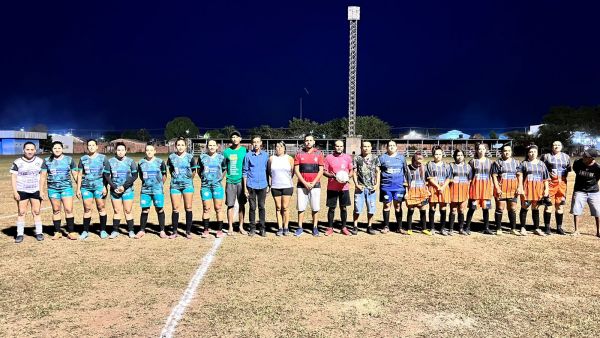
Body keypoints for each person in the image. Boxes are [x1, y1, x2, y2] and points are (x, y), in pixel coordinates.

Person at [10, 142, 47, 243]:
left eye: (32, 150)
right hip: (22, 190)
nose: (30, 151)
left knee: (37, 211)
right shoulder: (17, 162)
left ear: (35, 150)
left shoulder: (40, 161)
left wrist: (41, 191)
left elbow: (43, 177)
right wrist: (15, 192)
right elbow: (13, 178)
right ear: (23, 150)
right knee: (21, 212)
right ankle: (20, 234)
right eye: (27, 149)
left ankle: (39, 232)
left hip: (35, 190)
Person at [45, 141, 79, 240]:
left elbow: (75, 174)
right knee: (56, 210)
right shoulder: (47, 161)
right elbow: (43, 176)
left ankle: (71, 232)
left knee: (68, 210)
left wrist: (80, 186)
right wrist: (41, 191)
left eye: (59, 148)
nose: (57, 150)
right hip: (53, 189)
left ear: (62, 149)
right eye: (55, 148)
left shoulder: (69, 159)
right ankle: (57, 232)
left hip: (66, 188)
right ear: (52, 149)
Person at [76, 139, 109, 240]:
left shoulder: (103, 158)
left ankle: (103, 230)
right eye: (89, 145)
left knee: (101, 208)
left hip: (99, 187)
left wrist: (104, 186)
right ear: (87, 147)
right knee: (87, 209)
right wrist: (78, 189)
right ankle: (85, 231)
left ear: (97, 146)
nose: (91, 147)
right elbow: (80, 174)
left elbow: (107, 174)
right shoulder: (83, 159)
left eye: (93, 145)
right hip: (86, 188)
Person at [104, 142, 138, 239]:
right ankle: (115, 231)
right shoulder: (110, 162)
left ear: (126, 151)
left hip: (127, 190)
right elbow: (106, 175)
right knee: (117, 210)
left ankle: (131, 231)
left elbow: (135, 175)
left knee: (128, 210)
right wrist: (114, 187)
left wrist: (124, 186)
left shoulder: (130, 161)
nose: (120, 152)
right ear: (115, 151)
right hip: (115, 191)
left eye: (122, 150)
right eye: (118, 150)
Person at [375, 140, 410, 233]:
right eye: (389, 145)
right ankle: (386, 226)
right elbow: (377, 171)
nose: (391, 147)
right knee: (386, 205)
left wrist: (407, 185)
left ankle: (400, 227)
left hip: (399, 187)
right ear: (386, 147)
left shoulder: (401, 158)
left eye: (393, 145)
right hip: (386, 187)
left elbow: (406, 172)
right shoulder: (382, 158)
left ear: (396, 147)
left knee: (398, 205)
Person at [294, 134, 324, 237]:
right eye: (306, 140)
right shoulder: (299, 153)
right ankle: (300, 227)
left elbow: (321, 171)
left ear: (314, 142)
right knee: (301, 208)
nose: (308, 142)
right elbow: (296, 170)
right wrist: (305, 183)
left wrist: (313, 182)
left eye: (310, 140)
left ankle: (315, 227)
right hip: (302, 185)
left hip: (315, 185)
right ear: (304, 142)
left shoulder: (319, 153)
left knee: (315, 208)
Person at [167, 137, 197, 239]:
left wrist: (187, 179)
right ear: (175, 146)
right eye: (178, 145)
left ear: (186, 146)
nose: (180, 147)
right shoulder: (171, 157)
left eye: (182, 145)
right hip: (175, 185)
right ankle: (174, 231)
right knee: (175, 208)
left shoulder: (190, 157)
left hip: (187, 185)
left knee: (188, 207)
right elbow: (171, 170)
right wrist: (177, 178)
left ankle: (188, 231)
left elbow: (194, 171)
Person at [518, 144, 550, 236]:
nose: (532, 153)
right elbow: (519, 176)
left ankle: (536, 228)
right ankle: (523, 228)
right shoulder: (524, 164)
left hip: (538, 189)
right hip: (527, 189)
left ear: (537, 153)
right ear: (527, 153)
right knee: (524, 207)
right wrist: (521, 188)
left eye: (534, 152)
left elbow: (545, 178)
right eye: (530, 152)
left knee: (535, 208)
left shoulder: (542, 164)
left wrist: (546, 189)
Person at [323, 140, 353, 236]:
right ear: (334, 147)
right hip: (332, 187)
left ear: (343, 147)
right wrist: (332, 176)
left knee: (343, 208)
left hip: (344, 187)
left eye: (341, 146)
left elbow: (351, 170)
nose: (339, 148)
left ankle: (343, 227)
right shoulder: (328, 158)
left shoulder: (347, 157)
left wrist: (348, 177)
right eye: (337, 146)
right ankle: (330, 228)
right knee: (332, 208)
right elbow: (324, 171)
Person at [137, 144, 167, 239]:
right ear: (145, 151)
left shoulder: (160, 162)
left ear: (155, 151)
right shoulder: (141, 162)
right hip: (145, 190)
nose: (149, 152)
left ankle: (162, 231)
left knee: (159, 209)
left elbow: (164, 175)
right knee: (145, 209)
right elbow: (141, 176)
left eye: (151, 150)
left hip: (157, 190)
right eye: (147, 150)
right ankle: (142, 230)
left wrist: (160, 185)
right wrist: (147, 183)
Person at [198, 140, 227, 238]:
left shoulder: (221, 157)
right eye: (210, 145)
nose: (211, 147)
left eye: (213, 145)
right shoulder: (202, 157)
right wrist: (205, 179)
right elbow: (199, 170)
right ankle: (206, 230)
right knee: (206, 208)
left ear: (217, 147)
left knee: (218, 208)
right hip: (205, 187)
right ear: (207, 147)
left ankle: (219, 230)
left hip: (217, 186)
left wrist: (219, 179)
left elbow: (224, 170)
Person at [541, 141, 571, 235]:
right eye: (554, 145)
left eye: (558, 145)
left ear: (561, 147)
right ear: (551, 147)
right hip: (550, 183)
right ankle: (547, 227)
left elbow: (569, 169)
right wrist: (549, 174)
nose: (556, 146)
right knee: (548, 205)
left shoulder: (566, 157)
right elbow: (541, 168)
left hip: (562, 184)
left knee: (560, 205)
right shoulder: (546, 156)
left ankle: (559, 228)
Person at [491, 144, 522, 235]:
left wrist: (519, 186)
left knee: (512, 208)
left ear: (511, 152)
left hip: (513, 189)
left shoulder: (517, 162)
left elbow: (519, 175)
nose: (507, 152)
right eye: (505, 150)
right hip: (501, 189)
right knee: (500, 208)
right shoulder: (497, 163)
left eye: (508, 150)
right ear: (502, 152)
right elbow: (494, 177)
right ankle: (499, 228)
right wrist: (497, 188)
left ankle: (513, 229)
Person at [243, 135, 270, 237]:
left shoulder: (265, 156)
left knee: (262, 206)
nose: (256, 144)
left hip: (263, 185)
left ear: (261, 143)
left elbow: (268, 171)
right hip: (251, 185)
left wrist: (268, 184)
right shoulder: (248, 156)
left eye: (258, 142)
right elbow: (244, 172)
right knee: (252, 207)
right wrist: (245, 187)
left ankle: (262, 228)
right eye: (254, 142)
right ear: (252, 144)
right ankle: (252, 228)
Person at [465, 143, 493, 235]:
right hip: (475, 187)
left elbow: (492, 175)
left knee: (486, 208)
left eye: (483, 149)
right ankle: (467, 227)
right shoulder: (472, 162)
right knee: (472, 208)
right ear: (476, 150)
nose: (481, 151)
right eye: (479, 149)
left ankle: (486, 228)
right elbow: (469, 176)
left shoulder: (490, 162)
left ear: (486, 150)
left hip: (486, 187)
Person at [570, 149, 600, 237]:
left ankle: (598, 231)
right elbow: (575, 170)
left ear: (591, 158)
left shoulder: (597, 167)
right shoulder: (577, 163)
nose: (583, 157)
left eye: (586, 156)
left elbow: (597, 178)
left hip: (593, 191)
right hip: (579, 190)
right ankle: (576, 230)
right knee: (576, 210)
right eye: (584, 155)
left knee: (597, 211)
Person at [267, 141, 294, 236]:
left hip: (287, 186)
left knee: (285, 207)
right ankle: (280, 227)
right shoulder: (271, 159)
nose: (279, 148)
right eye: (277, 146)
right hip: (275, 186)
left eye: (281, 146)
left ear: (284, 148)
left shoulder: (290, 158)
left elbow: (292, 172)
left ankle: (286, 227)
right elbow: (269, 171)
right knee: (278, 208)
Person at [223, 131, 247, 235]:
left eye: (236, 137)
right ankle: (230, 227)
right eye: (232, 137)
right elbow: (223, 167)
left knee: (242, 205)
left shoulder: (244, 151)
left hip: (241, 182)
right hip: (230, 181)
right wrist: (220, 179)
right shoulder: (226, 152)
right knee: (230, 205)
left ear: (240, 139)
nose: (234, 139)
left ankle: (241, 226)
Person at [352, 140, 378, 235]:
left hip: (371, 188)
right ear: (361, 148)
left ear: (371, 148)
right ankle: (355, 226)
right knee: (357, 208)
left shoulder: (375, 158)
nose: (366, 148)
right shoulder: (357, 158)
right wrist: (356, 184)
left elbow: (377, 172)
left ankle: (369, 226)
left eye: (368, 146)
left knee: (371, 209)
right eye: (364, 146)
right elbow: (354, 172)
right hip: (360, 188)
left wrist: (376, 184)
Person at [425, 146, 451, 235]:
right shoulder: (429, 164)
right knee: (432, 207)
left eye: (440, 154)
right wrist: (437, 186)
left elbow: (448, 178)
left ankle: (442, 229)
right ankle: (432, 228)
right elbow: (429, 178)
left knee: (443, 208)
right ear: (433, 154)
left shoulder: (447, 165)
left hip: (444, 188)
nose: (438, 156)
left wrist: (443, 187)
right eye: (436, 154)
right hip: (433, 188)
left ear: (442, 154)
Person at [449, 149, 472, 235]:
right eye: (458, 155)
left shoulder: (468, 167)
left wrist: (468, 191)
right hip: (453, 190)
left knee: (461, 210)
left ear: (463, 156)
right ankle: (451, 229)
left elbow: (469, 180)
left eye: (461, 155)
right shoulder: (450, 166)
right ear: (455, 156)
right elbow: (449, 178)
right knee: (453, 210)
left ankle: (461, 229)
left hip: (464, 190)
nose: (460, 157)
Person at [405, 152, 428, 235]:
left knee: (423, 210)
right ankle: (409, 228)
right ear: (413, 160)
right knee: (411, 210)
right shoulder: (408, 168)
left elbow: (426, 180)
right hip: (411, 191)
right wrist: (406, 192)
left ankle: (424, 228)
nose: (418, 164)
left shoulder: (424, 168)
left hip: (421, 192)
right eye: (417, 162)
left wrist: (426, 190)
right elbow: (405, 182)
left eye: (420, 163)